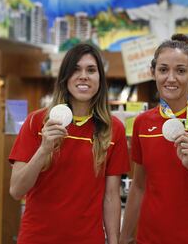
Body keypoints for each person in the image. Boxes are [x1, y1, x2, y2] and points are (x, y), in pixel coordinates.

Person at [9, 43, 130, 244]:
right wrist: (44, 149)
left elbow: (111, 196)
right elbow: (16, 190)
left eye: (91, 70)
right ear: (65, 78)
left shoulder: (113, 128)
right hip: (37, 238)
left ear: (100, 78)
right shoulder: (36, 121)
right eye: (76, 69)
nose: (83, 76)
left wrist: (114, 241)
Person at [119, 33, 188, 244]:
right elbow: (139, 186)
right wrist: (124, 237)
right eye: (163, 70)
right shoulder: (142, 123)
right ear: (152, 72)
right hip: (149, 238)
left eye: (180, 71)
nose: (171, 78)